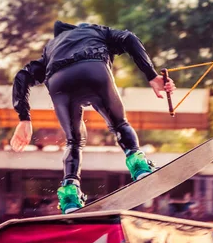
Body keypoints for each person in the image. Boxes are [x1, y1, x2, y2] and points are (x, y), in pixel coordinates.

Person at [10, 21, 175, 214]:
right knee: (119, 123)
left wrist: (24, 118)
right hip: (93, 69)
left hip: (59, 82)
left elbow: (22, 76)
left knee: (74, 141)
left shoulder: (51, 48)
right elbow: (128, 38)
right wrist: (151, 75)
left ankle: (70, 192)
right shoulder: (94, 30)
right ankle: (138, 165)